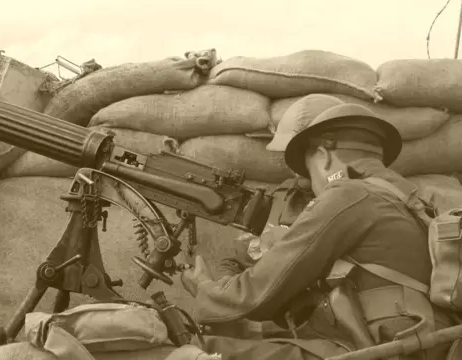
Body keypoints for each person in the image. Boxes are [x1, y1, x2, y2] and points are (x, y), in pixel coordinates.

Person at [181, 96, 455, 360]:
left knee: (200, 350)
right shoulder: (410, 199)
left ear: (323, 157)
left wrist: (205, 289)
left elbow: (257, 294)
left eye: (308, 173)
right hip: (411, 344)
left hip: (382, 350)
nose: (309, 185)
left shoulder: (347, 196)